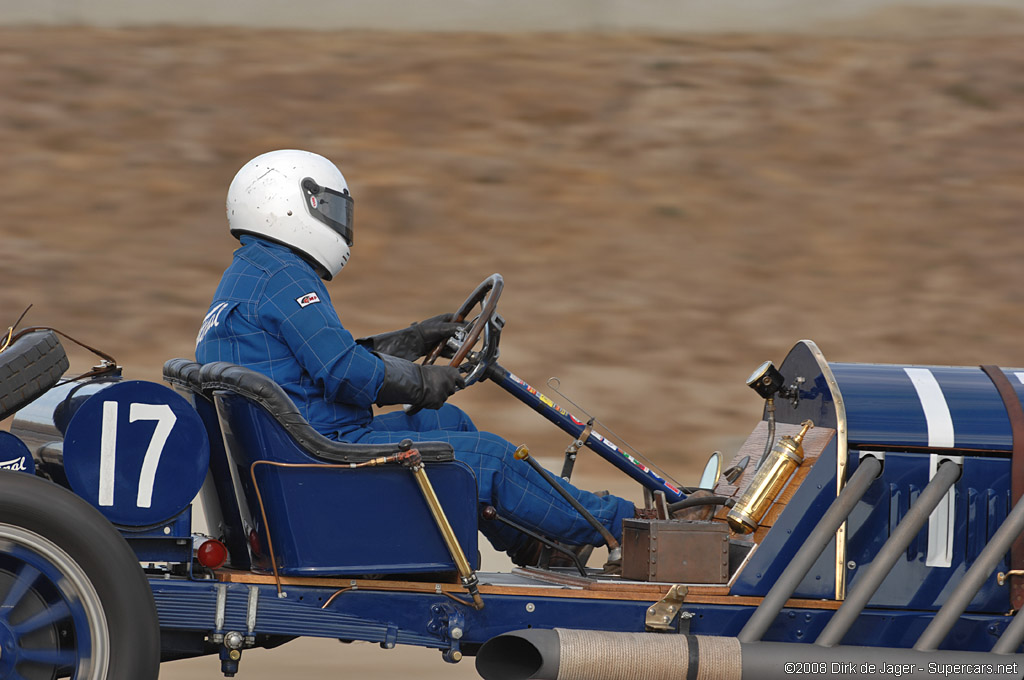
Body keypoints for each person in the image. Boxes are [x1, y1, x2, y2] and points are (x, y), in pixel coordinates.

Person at [196, 149, 644, 565]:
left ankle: (543, 545)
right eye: (327, 208)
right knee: (489, 459)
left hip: (297, 450)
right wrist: (421, 382)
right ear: (285, 205)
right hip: (321, 461)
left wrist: (413, 339)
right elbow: (344, 373)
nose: (339, 221)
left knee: (449, 424)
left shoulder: (251, 274)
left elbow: (323, 359)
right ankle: (630, 526)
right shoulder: (285, 278)